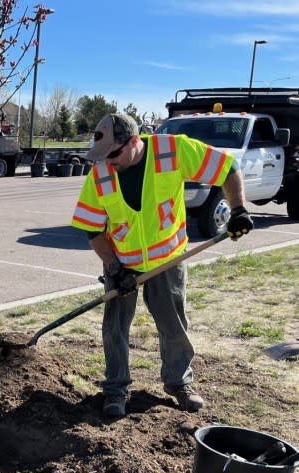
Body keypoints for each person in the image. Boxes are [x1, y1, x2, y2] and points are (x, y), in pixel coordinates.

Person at [71, 113, 253, 417]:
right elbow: (93, 228)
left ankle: (179, 382)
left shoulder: (172, 150)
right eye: (102, 155)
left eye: (113, 154)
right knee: (114, 330)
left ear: (134, 142)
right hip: (121, 263)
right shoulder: (101, 172)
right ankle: (115, 389)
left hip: (168, 259)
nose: (107, 162)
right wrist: (116, 268)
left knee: (173, 325)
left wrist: (238, 210)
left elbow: (227, 168)